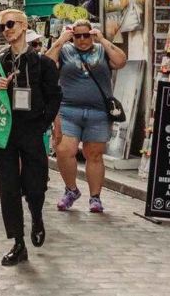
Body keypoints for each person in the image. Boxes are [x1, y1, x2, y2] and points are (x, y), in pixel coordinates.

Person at [0, 9, 62, 267]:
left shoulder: (43, 63)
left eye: (10, 24)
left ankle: (37, 215)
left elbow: (55, 97)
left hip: (32, 130)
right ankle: (18, 243)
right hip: (6, 131)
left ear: (23, 26)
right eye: (2, 26)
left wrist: (43, 124)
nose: (6, 29)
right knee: (8, 186)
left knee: (36, 183)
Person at [47, 18, 127, 214]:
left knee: (94, 155)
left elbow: (121, 61)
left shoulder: (101, 50)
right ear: (72, 36)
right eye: (77, 36)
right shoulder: (65, 50)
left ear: (92, 34)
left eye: (86, 35)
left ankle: (95, 197)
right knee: (64, 150)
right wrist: (61, 40)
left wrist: (103, 40)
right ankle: (71, 190)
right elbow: (46, 64)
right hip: (68, 110)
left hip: (98, 112)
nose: (82, 39)